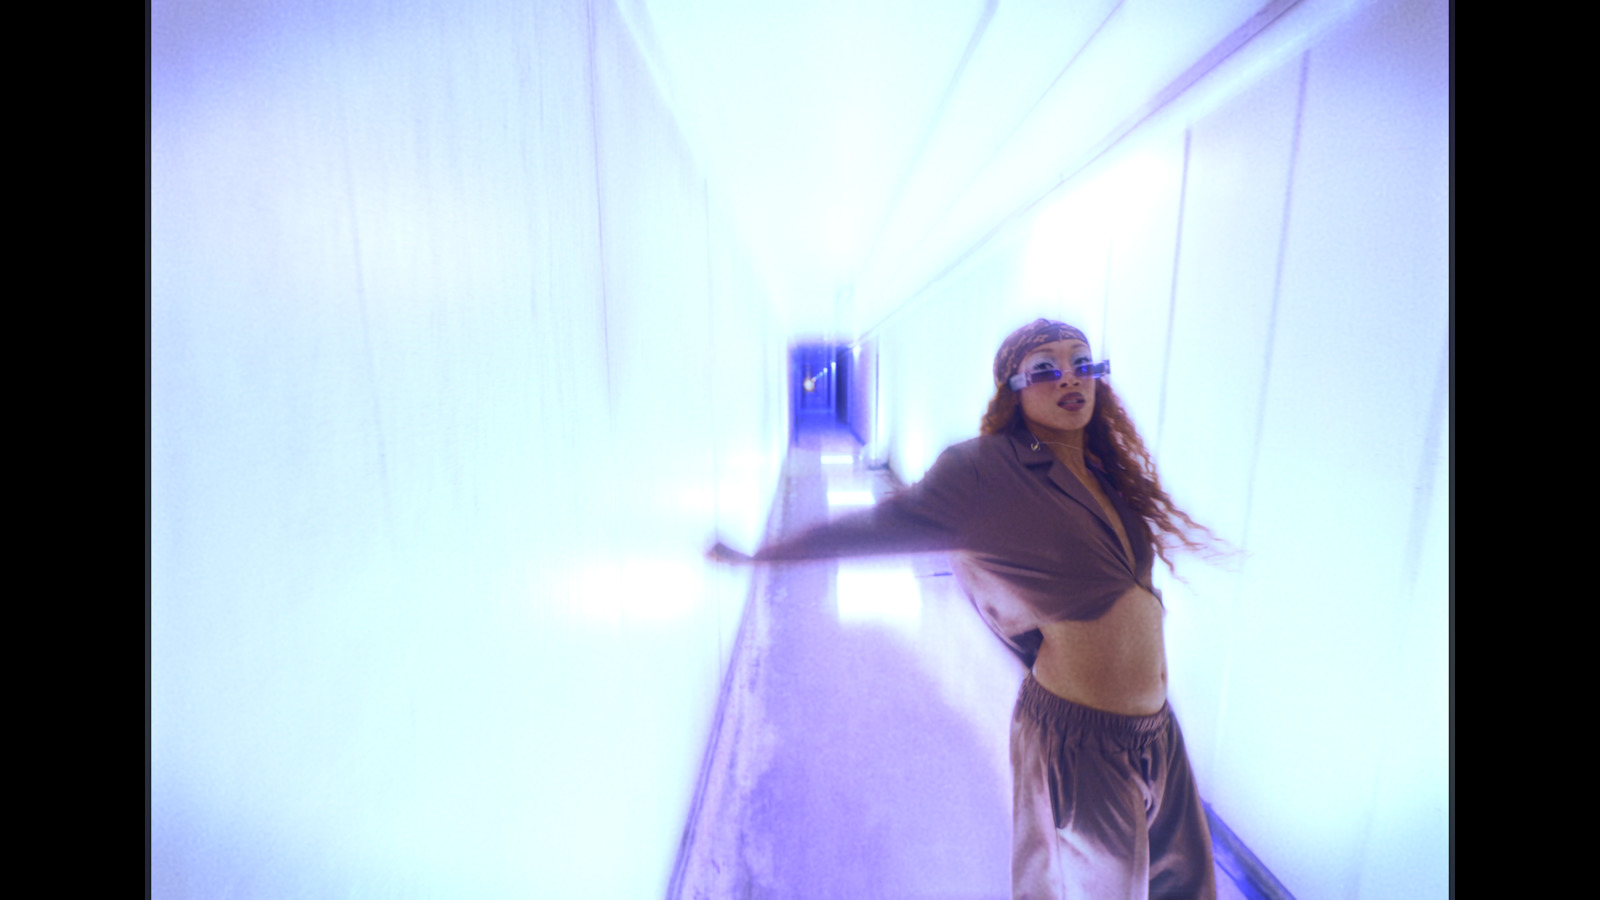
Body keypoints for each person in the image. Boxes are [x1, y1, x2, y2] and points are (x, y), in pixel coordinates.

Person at [711, 319, 1221, 899]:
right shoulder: (984, 470)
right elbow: (879, 528)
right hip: (1080, 744)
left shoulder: (1104, 472)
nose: (1068, 379)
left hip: (1158, 731)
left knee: (1186, 888)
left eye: (1082, 363)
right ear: (1012, 387)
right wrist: (762, 557)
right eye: (1045, 369)